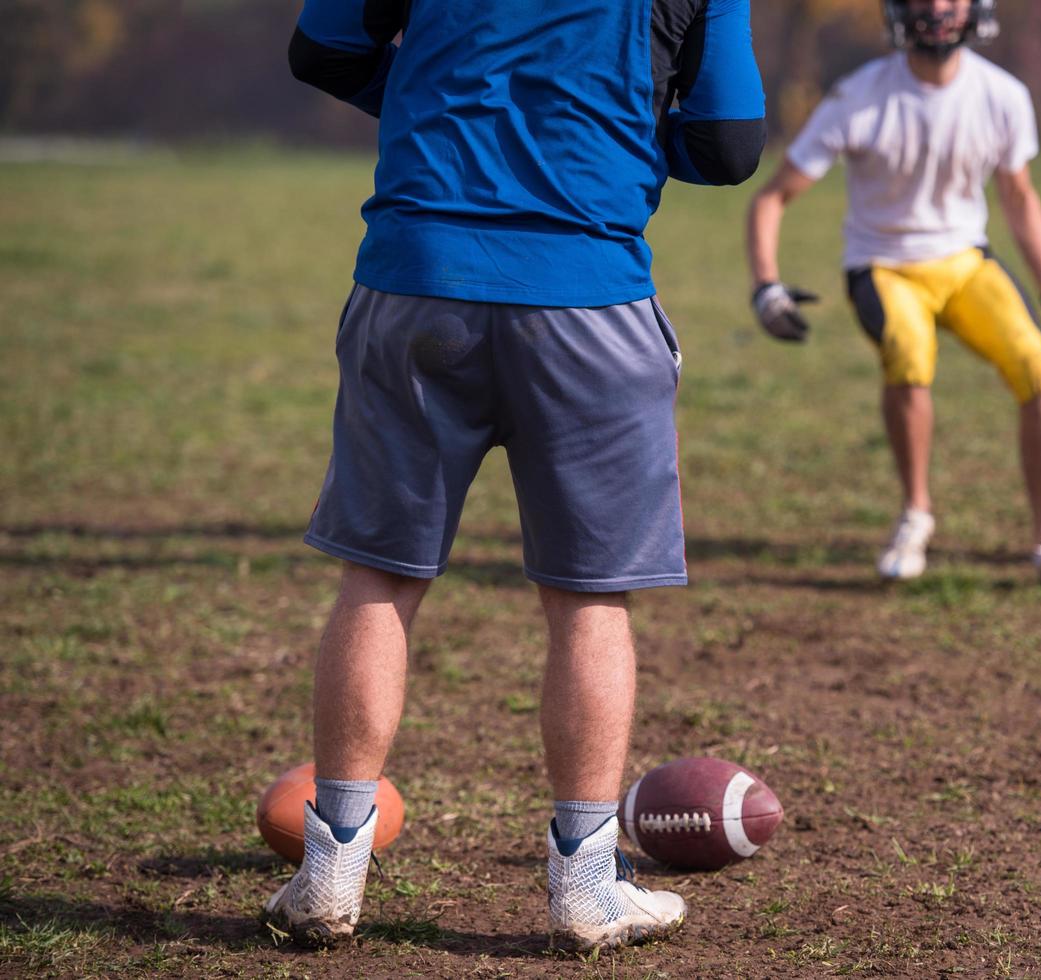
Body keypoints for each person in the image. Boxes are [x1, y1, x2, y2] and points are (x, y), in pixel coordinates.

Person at [270, 0, 764, 952]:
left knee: (378, 575)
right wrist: (602, 139)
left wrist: (439, 109)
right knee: (589, 599)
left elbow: (321, 49)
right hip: (588, 291)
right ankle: (585, 888)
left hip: (415, 273)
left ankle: (329, 876)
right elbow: (729, 141)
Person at [745, 0, 1041, 597]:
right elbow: (772, 197)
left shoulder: (1002, 95)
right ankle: (917, 513)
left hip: (965, 261)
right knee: (909, 358)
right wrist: (766, 286)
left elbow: (1018, 197)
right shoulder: (859, 95)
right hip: (883, 266)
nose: (937, 7)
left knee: (1039, 367)